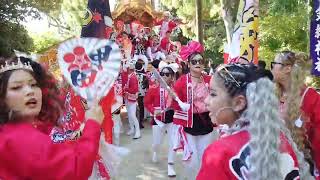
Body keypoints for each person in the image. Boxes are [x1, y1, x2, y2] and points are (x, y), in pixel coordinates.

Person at [197, 64, 311, 179]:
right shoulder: (279, 140)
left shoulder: (219, 153)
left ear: (238, 103)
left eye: (213, 94)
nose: (206, 100)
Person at [0, 56, 104, 179]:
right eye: (17, 87)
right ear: (2, 99)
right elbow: (75, 169)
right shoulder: (19, 138)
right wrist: (93, 124)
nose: (30, 91)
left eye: (33, 84)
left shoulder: (13, 132)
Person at [271, 51, 320, 178]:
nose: (271, 68)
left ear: (287, 69)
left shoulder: (310, 97)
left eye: (274, 64)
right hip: (276, 164)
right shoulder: (271, 94)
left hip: (303, 166)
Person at [171, 41, 216, 179]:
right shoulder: (182, 81)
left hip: (206, 122)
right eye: (194, 61)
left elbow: (219, 96)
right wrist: (181, 105)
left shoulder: (210, 79)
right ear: (189, 64)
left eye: (200, 61)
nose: (198, 63)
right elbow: (173, 101)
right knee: (192, 160)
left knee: (205, 157)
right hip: (189, 123)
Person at [144, 61, 179, 177]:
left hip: (172, 120)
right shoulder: (153, 88)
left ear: (172, 76)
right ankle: (155, 151)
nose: (164, 76)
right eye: (162, 74)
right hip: (157, 120)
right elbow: (147, 102)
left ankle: (170, 166)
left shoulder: (176, 90)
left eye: (167, 74)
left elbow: (180, 103)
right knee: (156, 143)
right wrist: (154, 110)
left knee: (173, 143)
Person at [123, 59, 141, 139]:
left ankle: (137, 131)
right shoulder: (130, 75)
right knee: (130, 114)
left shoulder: (133, 77)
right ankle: (132, 129)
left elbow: (134, 90)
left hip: (132, 98)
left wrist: (125, 89)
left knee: (133, 115)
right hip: (128, 97)